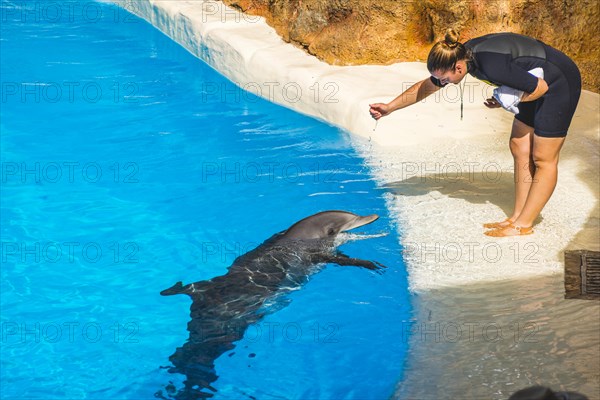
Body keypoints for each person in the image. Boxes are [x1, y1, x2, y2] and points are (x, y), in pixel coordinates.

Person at [369, 29, 582, 237]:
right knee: (519, 146)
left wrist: (504, 100)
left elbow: (541, 88)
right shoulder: (460, 55)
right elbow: (427, 86)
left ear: (459, 68)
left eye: (445, 79)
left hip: (558, 82)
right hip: (532, 79)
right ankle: (517, 216)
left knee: (543, 157)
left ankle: (523, 225)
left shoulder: (491, 65)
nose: (443, 83)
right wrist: (390, 107)